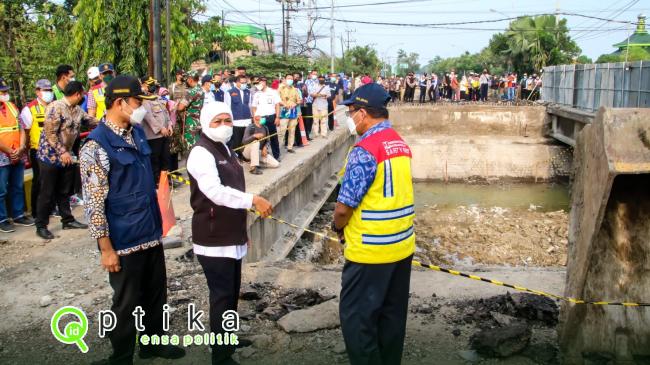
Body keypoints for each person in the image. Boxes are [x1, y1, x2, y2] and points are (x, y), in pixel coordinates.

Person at [81, 75, 185, 365]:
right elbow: (94, 204)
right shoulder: (96, 146)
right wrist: (106, 249)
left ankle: (154, 344)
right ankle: (122, 355)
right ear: (120, 103)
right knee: (126, 302)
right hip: (124, 239)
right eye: (138, 102)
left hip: (149, 231)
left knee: (155, 293)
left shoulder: (136, 133)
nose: (141, 108)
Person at [333, 83, 415, 365]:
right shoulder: (398, 143)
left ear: (364, 113)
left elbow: (344, 208)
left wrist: (337, 228)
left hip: (371, 250)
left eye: (351, 111)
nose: (349, 117)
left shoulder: (365, 148)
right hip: (402, 247)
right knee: (391, 319)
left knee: (358, 319)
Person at [186, 101, 273, 365]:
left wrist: (241, 229)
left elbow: (233, 182)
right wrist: (253, 200)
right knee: (221, 296)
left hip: (231, 232)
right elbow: (215, 191)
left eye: (227, 120)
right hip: (214, 236)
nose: (224, 126)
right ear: (205, 123)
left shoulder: (224, 146)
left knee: (232, 291)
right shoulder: (201, 153)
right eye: (217, 121)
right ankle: (221, 356)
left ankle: (228, 338)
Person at [35, 81, 94, 239]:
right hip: (50, 156)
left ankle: (67, 219)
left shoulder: (77, 110)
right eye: (82, 94)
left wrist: (107, 121)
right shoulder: (56, 107)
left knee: (64, 190)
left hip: (66, 156)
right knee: (47, 192)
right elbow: (50, 133)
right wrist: (62, 152)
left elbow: (89, 121)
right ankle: (41, 225)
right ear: (77, 94)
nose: (83, 96)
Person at [0, 78, 34, 232]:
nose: (6, 94)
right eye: (3, 91)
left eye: (6, 91)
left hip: (17, 152)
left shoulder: (12, 106)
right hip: (2, 155)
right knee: (1, 190)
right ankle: (2, 218)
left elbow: (21, 128)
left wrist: (20, 148)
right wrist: (9, 151)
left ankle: (18, 214)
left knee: (17, 186)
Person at [21, 79, 54, 221]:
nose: (48, 93)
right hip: (38, 150)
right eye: (44, 90)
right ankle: (36, 211)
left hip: (54, 149)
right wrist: (26, 151)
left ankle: (51, 208)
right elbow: (26, 132)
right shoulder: (30, 109)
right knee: (39, 181)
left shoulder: (54, 106)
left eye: (49, 90)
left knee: (52, 180)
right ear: (37, 92)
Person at [141, 77, 172, 186]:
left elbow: (166, 113)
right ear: (145, 85)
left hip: (165, 134)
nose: (153, 87)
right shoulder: (144, 100)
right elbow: (148, 117)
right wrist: (160, 128)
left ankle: (165, 181)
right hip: (153, 136)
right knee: (155, 160)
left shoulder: (157, 98)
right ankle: (155, 182)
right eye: (150, 84)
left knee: (165, 158)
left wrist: (169, 125)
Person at [251, 77, 281, 160]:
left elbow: (277, 105)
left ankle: (276, 156)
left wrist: (277, 117)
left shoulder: (273, 92)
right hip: (260, 118)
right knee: (261, 138)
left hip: (271, 117)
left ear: (264, 82)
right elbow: (254, 107)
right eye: (258, 83)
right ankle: (262, 157)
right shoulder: (257, 94)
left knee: (273, 137)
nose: (259, 85)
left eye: (260, 82)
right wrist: (254, 118)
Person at [242, 110, 280, 175]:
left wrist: (265, 147)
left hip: (259, 152)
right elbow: (244, 141)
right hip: (247, 152)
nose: (262, 118)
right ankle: (253, 168)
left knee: (276, 164)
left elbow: (268, 140)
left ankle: (255, 162)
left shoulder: (265, 127)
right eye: (261, 117)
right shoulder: (250, 127)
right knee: (256, 142)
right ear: (256, 118)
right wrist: (254, 136)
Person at [223, 74, 252, 157]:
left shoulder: (248, 92)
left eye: (245, 82)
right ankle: (237, 157)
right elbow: (227, 107)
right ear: (236, 82)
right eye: (242, 82)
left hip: (247, 121)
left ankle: (245, 156)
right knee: (237, 141)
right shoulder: (230, 92)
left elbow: (249, 105)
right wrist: (229, 120)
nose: (244, 84)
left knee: (246, 140)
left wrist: (251, 118)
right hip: (236, 121)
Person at [176, 70, 203, 150]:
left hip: (190, 124)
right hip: (198, 121)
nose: (186, 81)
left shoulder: (192, 92)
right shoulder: (200, 89)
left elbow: (180, 107)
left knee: (191, 148)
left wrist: (177, 103)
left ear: (191, 79)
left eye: (187, 79)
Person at [278, 74, 301, 154]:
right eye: (288, 78)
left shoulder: (295, 89)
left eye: (291, 79)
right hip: (284, 112)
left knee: (292, 130)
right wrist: (284, 104)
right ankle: (278, 148)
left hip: (293, 112)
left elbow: (299, 100)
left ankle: (290, 147)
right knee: (282, 131)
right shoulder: (280, 89)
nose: (290, 80)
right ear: (285, 79)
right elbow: (277, 99)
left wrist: (295, 103)